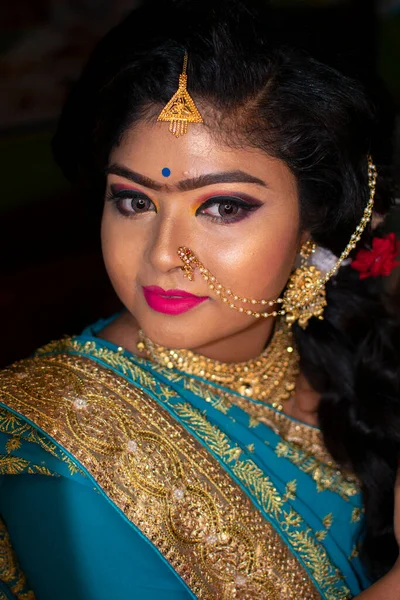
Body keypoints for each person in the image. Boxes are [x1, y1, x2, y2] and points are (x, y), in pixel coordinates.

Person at [1, 1, 400, 598]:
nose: (163, 255)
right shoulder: (56, 446)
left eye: (223, 207)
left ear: (312, 228)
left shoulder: (344, 347)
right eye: (134, 201)